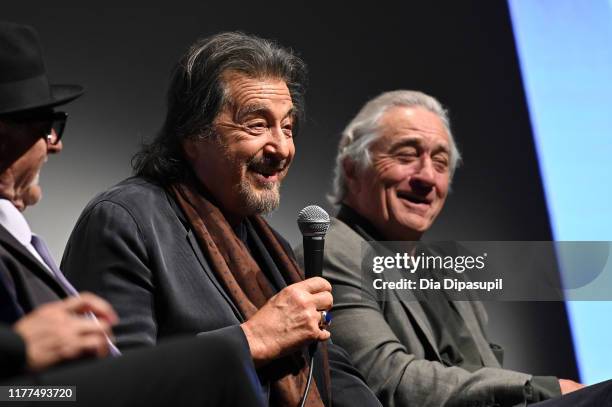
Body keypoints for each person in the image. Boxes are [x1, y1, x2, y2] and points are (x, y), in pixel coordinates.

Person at [61, 31, 381, 407]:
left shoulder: (270, 245)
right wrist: (251, 340)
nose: (281, 148)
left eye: (288, 127)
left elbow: (329, 367)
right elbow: (110, 386)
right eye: (257, 125)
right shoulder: (125, 221)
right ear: (193, 135)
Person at [0, 21, 265, 407]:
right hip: (29, 396)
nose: (54, 147)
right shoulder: (126, 215)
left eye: (289, 127)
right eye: (47, 129)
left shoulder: (264, 240)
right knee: (221, 359)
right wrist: (19, 347)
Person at [296, 90, 583, 406]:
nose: (428, 177)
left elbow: (484, 371)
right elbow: (387, 378)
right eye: (406, 155)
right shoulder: (332, 252)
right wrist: (540, 389)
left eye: (441, 162)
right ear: (352, 168)